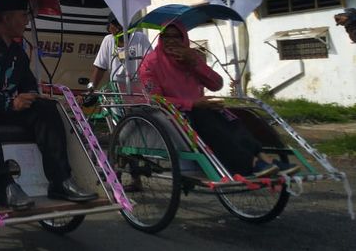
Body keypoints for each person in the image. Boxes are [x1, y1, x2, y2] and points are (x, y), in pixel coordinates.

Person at [0, 0, 97, 210]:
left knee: (47, 107)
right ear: (7, 18)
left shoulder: (18, 52)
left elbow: (28, 83)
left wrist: (29, 95)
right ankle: (4, 184)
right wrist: (10, 102)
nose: (27, 21)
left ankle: (60, 180)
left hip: (7, 107)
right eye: (23, 16)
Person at [139, 23, 297, 177]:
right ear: (160, 38)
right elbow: (155, 99)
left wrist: (194, 63)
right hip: (173, 113)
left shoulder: (192, 56)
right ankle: (251, 164)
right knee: (209, 121)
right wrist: (193, 104)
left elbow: (216, 84)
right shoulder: (151, 63)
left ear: (184, 38)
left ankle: (266, 160)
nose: (171, 40)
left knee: (232, 119)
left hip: (202, 108)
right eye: (166, 36)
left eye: (176, 36)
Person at [86, 15, 152, 98]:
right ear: (109, 28)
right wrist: (91, 89)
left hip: (137, 90)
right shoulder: (108, 40)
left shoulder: (140, 38)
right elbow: (100, 68)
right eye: (115, 24)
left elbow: (150, 64)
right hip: (116, 92)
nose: (118, 28)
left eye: (121, 24)